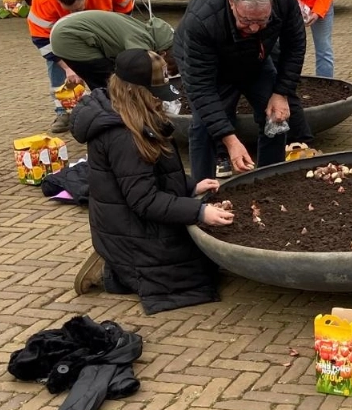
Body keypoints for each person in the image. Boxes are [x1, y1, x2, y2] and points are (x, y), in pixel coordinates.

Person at [70, 50, 234, 314]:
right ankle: (114, 274)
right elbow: (144, 201)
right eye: (157, 92)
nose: (162, 99)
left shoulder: (131, 117)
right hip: (131, 228)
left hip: (128, 220)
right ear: (141, 93)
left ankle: (117, 261)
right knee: (189, 277)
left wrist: (191, 186)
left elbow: (152, 177)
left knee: (202, 258)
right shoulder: (123, 137)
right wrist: (199, 211)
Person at [173, 0, 306, 181]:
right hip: (210, 65)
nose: (254, 27)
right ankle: (204, 193)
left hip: (254, 59)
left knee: (276, 117)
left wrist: (282, 92)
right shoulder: (202, 20)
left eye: (262, 21)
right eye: (246, 20)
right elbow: (201, 88)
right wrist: (231, 140)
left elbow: (295, 46)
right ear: (231, 2)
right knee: (203, 127)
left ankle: (270, 181)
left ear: (271, 3)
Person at [29, 0, 135, 133]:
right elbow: (41, 39)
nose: (73, 15)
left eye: (77, 9)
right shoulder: (45, 1)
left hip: (98, 10)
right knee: (55, 56)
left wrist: (114, 34)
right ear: (57, 0)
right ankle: (64, 111)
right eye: (67, 10)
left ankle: (115, 102)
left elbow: (126, 3)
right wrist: (68, 68)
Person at [51, 11, 176, 91]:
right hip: (69, 39)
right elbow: (136, 71)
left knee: (109, 81)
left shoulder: (143, 30)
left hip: (66, 30)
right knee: (110, 84)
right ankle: (115, 119)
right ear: (163, 53)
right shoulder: (141, 41)